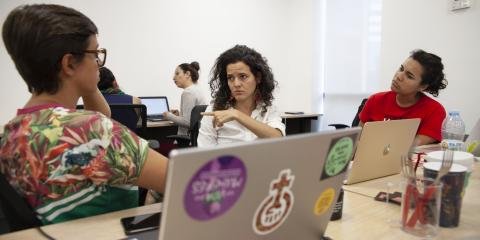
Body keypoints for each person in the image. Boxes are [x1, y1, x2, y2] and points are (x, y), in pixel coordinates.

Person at [0, 4, 167, 224]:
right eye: (95, 53)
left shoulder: (11, 133)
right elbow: (184, 181)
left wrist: (89, 83)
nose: (98, 62)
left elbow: (101, 114)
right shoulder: (92, 132)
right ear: (69, 63)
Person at [197, 45, 285, 147]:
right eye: (230, 78)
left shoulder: (268, 109)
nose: (236, 84)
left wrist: (237, 115)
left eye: (243, 76)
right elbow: (204, 157)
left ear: (258, 78)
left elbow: (278, 139)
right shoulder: (214, 111)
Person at [359, 49, 447, 146]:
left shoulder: (434, 111)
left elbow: (411, 147)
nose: (399, 76)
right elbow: (358, 140)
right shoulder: (375, 100)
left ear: (423, 86)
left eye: (409, 76)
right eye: (401, 69)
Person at [163, 62, 207, 135]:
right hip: (197, 137)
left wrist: (168, 115)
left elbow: (188, 122)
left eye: (177, 74)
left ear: (187, 74)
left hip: (187, 140)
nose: (173, 78)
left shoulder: (188, 92)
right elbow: (193, 118)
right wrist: (179, 115)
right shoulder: (197, 89)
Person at [98, 66, 142, 131]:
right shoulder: (136, 101)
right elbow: (135, 122)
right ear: (114, 82)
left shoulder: (91, 104)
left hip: (105, 141)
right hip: (129, 140)